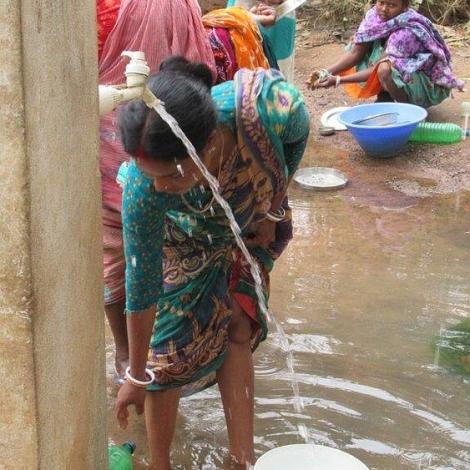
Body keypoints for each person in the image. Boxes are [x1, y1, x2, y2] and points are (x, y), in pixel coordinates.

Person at [114, 56, 309, 469]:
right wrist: (135, 374)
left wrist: (272, 206)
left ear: (203, 148)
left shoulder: (260, 108)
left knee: (238, 320)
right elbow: (142, 285)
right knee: (166, 353)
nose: (160, 187)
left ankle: (242, 459)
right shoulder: (142, 191)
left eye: (171, 176)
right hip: (182, 241)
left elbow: (300, 128)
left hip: (250, 220)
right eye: (148, 176)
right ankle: (160, 463)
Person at [99, 0, 217, 382]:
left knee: (161, 247)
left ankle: (168, 345)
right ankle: (130, 353)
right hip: (121, 139)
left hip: (167, 136)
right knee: (126, 256)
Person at [307, 0, 464, 108]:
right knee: (360, 43)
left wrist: (338, 80)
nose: (384, 9)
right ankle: (386, 96)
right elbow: (356, 53)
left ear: (405, 6)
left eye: (391, 5)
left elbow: (377, 69)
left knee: (384, 69)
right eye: (381, 2)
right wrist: (325, 72)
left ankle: (408, 111)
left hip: (423, 81)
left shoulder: (407, 30)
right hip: (400, 69)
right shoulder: (373, 17)